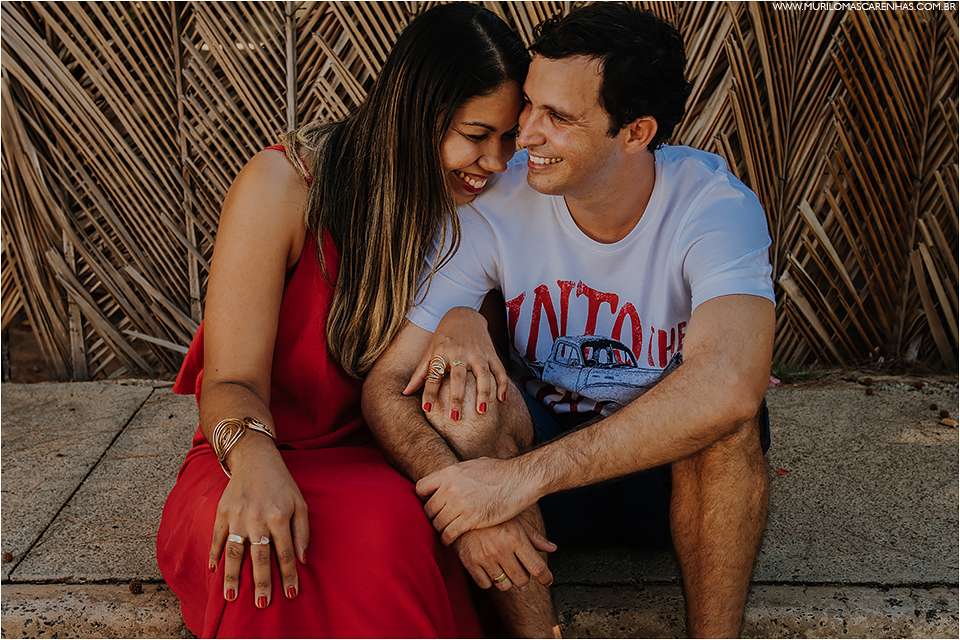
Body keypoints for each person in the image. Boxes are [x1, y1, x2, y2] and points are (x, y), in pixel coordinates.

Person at [363, 3, 776, 638]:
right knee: (459, 397)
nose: (522, 135)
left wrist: (512, 483)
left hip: (673, 487)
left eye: (557, 117)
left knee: (724, 422)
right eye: (529, 104)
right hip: (548, 484)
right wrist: (463, 493)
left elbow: (731, 382)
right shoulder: (497, 202)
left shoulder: (713, 207)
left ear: (635, 132)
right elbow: (388, 382)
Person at [156, 4, 535, 637]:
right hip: (254, 446)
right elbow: (229, 382)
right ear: (417, 113)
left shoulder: (482, 204)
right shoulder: (283, 187)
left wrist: (468, 319)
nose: (495, 162)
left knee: (389, 530)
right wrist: (255, 468)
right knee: (270, 553)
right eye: (476, 134)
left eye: (508, 139)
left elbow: (476, 363)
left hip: (387, 454)